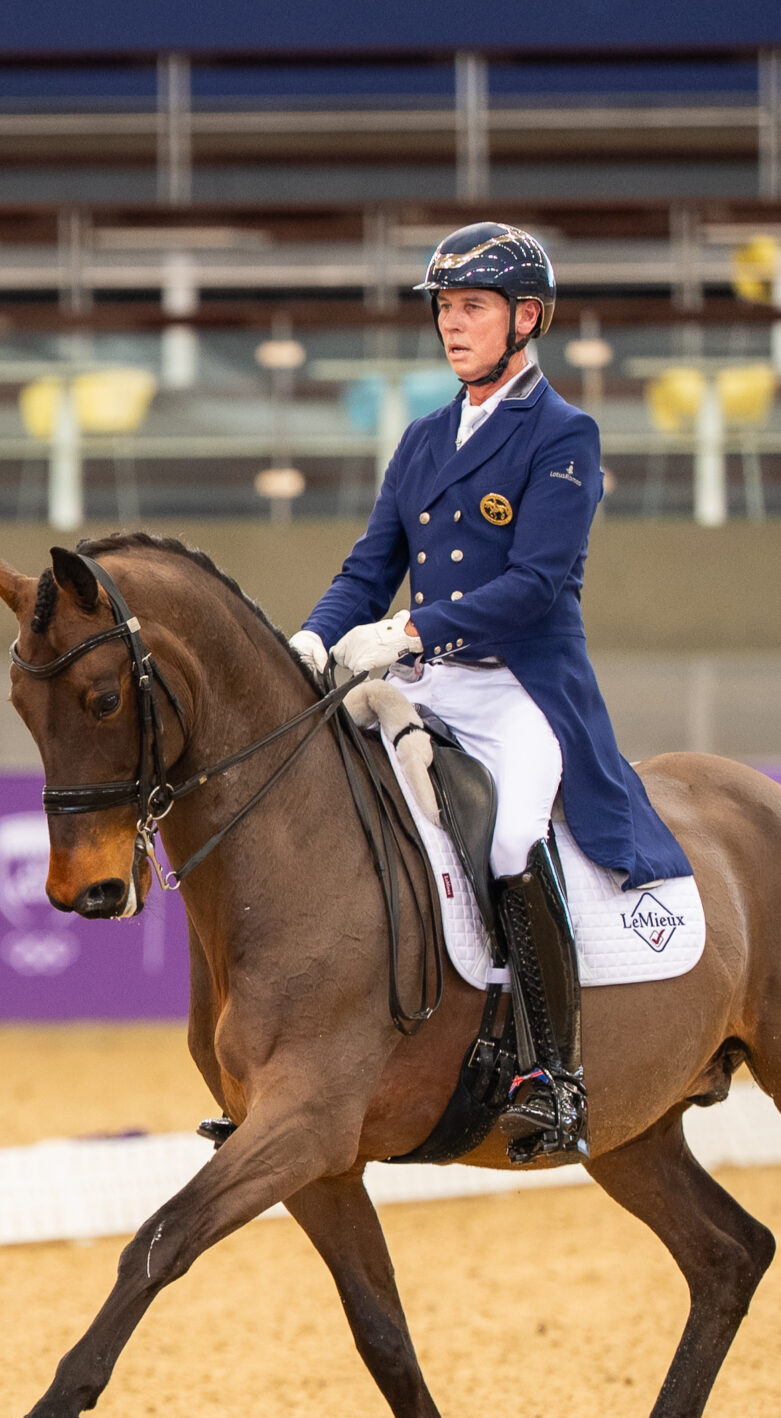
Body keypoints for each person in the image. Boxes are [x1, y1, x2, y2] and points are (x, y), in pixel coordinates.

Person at [288, 222, 693, 1162]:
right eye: (445, 309)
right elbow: (369, 566)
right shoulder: (425, 440)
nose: (452, 325)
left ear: (526, 319)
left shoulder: (563, 435)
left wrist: (409, 630)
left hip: (520, 687)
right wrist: (313, 637)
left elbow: (537, 583)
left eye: (472, 307)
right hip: (428, 685)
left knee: (510, 836)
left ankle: (555, 1074)